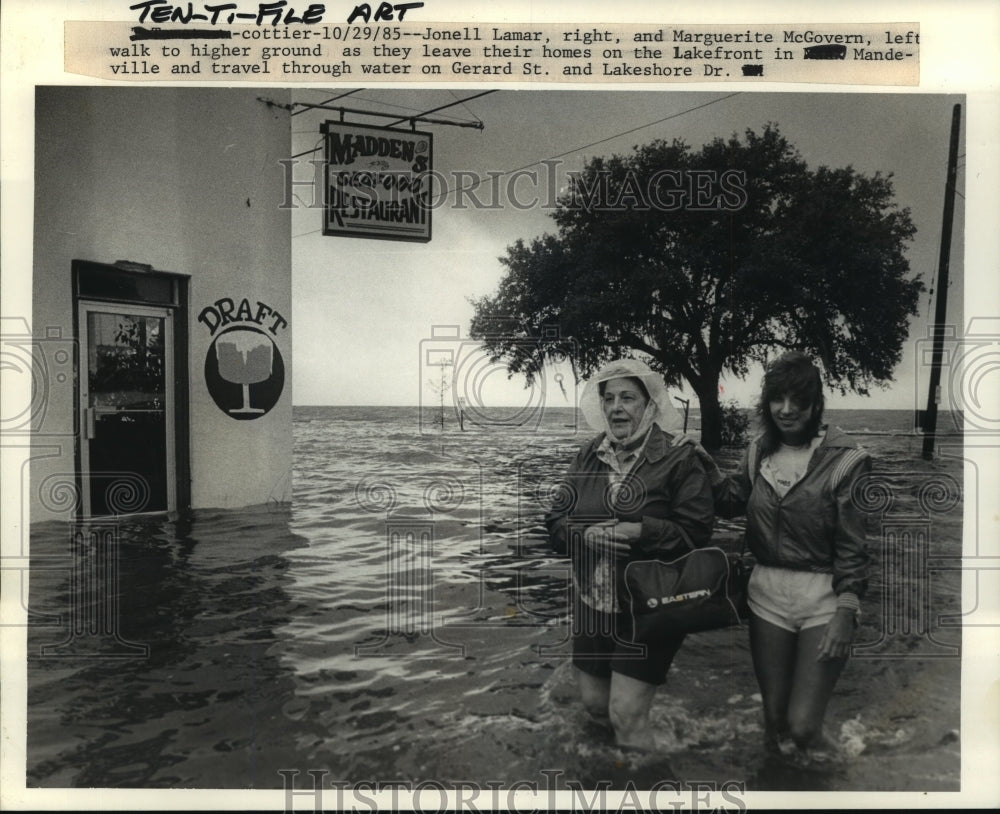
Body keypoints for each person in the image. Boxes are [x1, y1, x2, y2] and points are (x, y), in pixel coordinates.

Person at [680, 351, 871, 755]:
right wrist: (704, 465)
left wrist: (846, 612)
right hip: (766, 592)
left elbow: (854, 547)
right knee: (775, 724)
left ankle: (852, 778)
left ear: (816, 403)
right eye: (776, 399)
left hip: (825, 597)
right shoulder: (757, 452)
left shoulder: (848, 460)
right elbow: (733, 502)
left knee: (803, 727)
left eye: (797, 400)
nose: (786, 410)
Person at [545, 359, 714, 749]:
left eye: (628, 398)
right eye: (609, 399)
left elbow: (697, 532)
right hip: (593, 600)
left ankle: (652, 785)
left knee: (625, 714)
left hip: (651, 605)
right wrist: (585, 536)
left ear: (649, 404)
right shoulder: (588, 455)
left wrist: (642, 531)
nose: (617, 407)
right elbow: (555, 521)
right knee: (595, 707)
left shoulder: (679, 456)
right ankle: (621, 768)